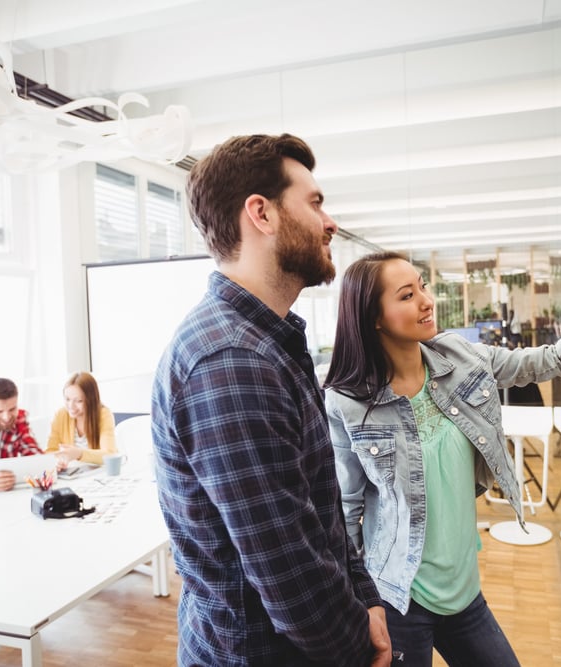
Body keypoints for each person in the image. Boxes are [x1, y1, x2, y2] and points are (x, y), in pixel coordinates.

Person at [323, 245, 561, 667]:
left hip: (464, 592)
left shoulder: (462, 358)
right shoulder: (347, 403)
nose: (427, 301)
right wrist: (363, 604)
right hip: (398, 598)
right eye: (406, 295)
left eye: (423, 287)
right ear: (374, 317)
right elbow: (344, 513)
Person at [151, 133, 390, 666]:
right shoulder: (231, 361)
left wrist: (366, 597)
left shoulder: (267, 341)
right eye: (315, 202)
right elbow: (290, 571)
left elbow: (317, 507)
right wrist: (359, 646)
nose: (329, 223)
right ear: (261, 213)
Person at [45, 371, 117, 466]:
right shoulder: (60, 415)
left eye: (79, 401)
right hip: (72, 474)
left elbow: (109, 454)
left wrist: (79, 454)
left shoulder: (104, 415)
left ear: (90, 400)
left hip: (98, 472)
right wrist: (58, 462)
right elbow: (51, 451)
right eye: (67, 399)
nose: (71, 406)